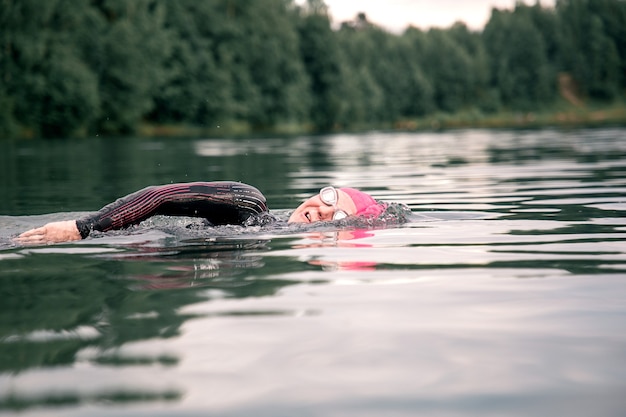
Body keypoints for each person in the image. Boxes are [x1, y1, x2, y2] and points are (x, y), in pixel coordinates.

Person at [15, 181, 386, 245]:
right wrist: (81, 228)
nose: (323, 211)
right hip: (74, 235)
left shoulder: (257, 244)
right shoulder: (249, 205)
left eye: (338, 219)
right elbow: (159, 197)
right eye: (328, 198)